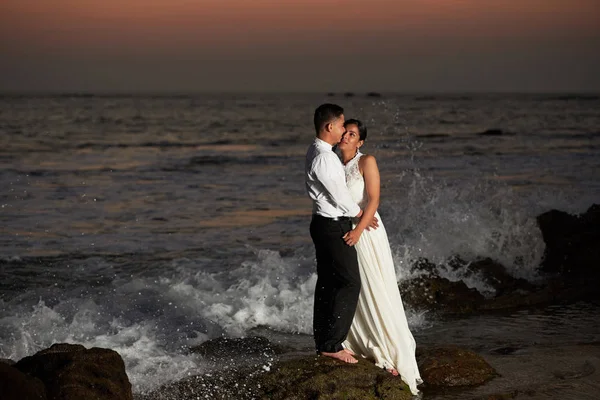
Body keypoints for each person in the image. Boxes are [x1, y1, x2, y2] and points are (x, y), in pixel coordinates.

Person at [338, 119, 423, 395]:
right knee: (352, 285)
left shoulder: (366, 161)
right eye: (345, 132)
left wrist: (359, 229)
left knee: (374, 285)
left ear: (360, 141)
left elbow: (373, 199)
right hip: (346, 229)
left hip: (366, 232)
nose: (347, 136)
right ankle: (356, 340)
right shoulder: (334, 164)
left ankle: (387, 348)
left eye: (352, 134)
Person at [305, 104, 377, 364]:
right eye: (341, 125)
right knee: (349, 282)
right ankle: (333, 344)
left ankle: (324, 342)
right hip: (332, 225)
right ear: (329, 127)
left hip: (324, 223)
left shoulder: (318, 150)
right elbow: (338, 194)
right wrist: (360, 215)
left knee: (327, 283)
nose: (344, 130)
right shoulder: (325, 157)